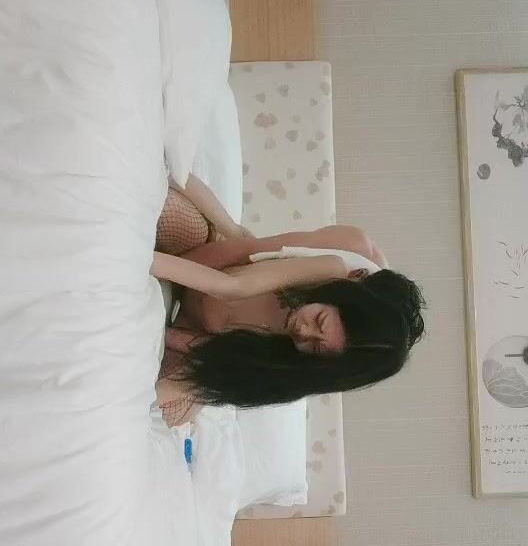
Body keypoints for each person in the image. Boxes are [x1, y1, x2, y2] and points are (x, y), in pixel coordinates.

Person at [152, 177, 425, 426]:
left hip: (198, 331)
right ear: (344, 288)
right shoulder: (341, 258)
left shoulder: (313, 365)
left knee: (173, 413)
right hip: (207, 264)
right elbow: (244, 250)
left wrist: (169, 335)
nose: (303, 332)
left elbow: (219, 363)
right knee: (171, 214)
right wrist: (162, 274)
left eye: (316, 347)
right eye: (319, 321)